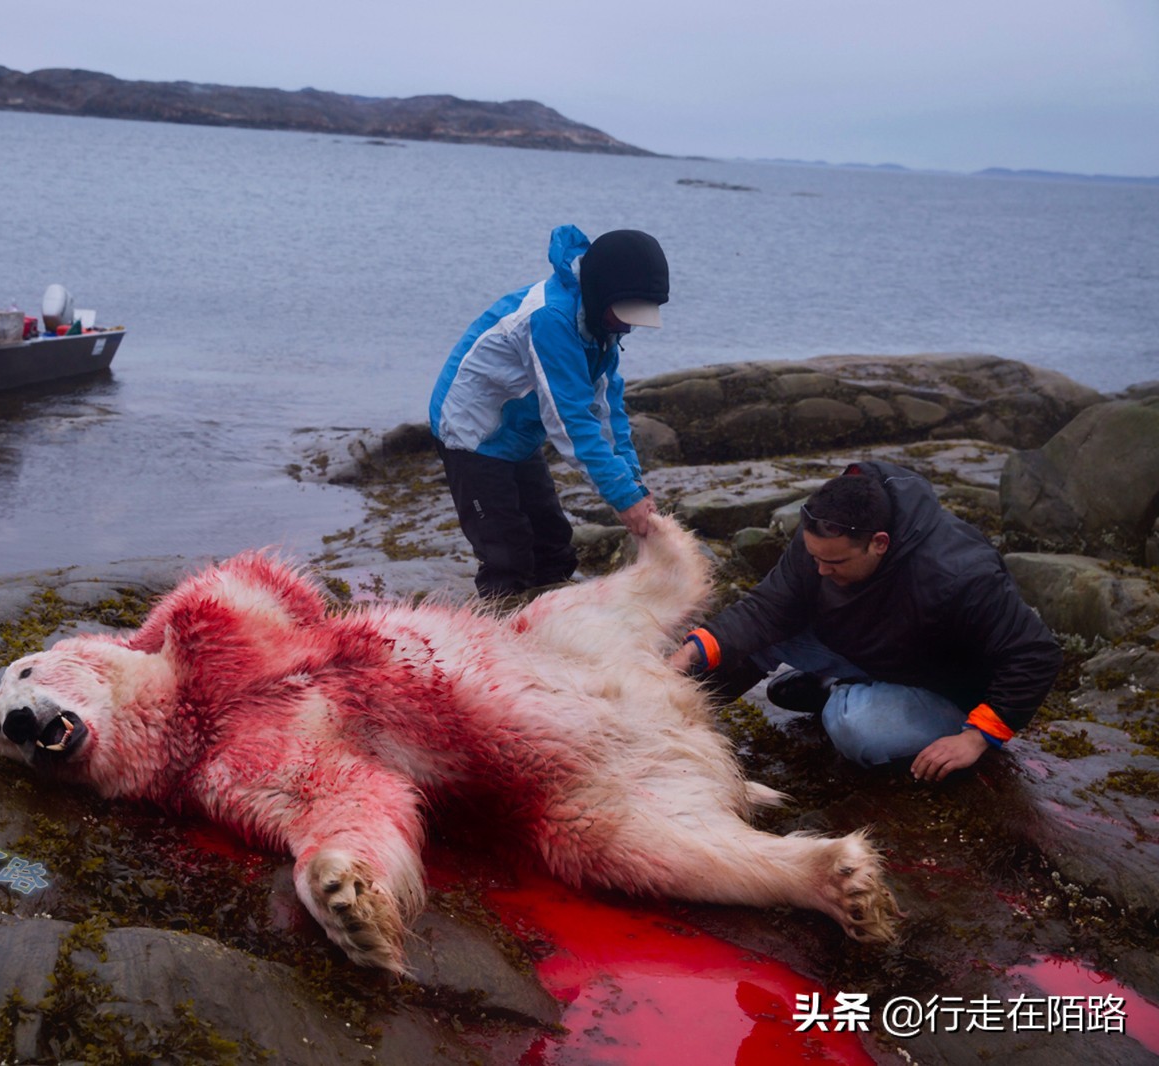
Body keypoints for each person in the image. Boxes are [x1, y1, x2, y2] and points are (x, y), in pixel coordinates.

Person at [668, 461, 1063, 782]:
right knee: (741, 642)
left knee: (855, 730)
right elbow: (769, 607)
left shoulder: (958, 574)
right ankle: (673, 727)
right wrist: (690, 653)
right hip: (879, 650)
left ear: (879, 543)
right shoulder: (827, 530)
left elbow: (1035, 652)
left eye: (834, 562)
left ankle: (836, 692)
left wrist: (979, 736)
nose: (819, 570)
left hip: (945, 689)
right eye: (813, 557)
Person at [428, 224, 668, 599]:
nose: (628, 325)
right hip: (472, 434)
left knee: (553, 544)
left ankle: (551, 630)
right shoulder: (551, 319)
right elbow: (570, 420)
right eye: (625, 314)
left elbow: (606, 411)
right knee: (507, 556)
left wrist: (634, 485)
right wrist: (623, 499)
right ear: (602, 291)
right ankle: (502, 639)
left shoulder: (602, 328)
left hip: (519, 434)